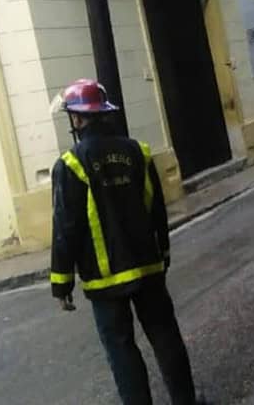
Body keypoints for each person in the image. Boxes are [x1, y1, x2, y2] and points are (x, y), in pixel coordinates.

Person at [50, 79, 197, 405]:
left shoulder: (71, 164)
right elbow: (156, 210)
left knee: (121, 348)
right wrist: (163, 253)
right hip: (148, 268)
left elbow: (65, 227)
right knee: (165, 337)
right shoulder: (137, 152)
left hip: (105, 279)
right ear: (105, 114)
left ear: (76, 119)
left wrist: (61, 284)